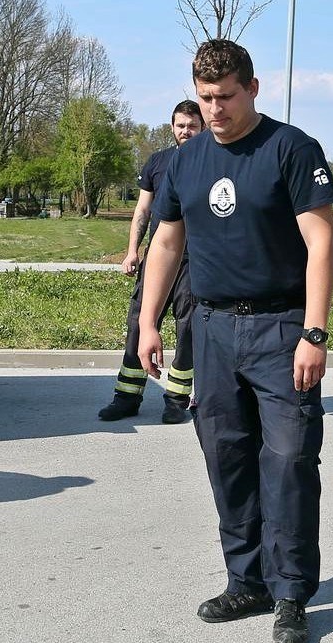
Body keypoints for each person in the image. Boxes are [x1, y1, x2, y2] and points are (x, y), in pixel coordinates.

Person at [137, 39, 333, 643]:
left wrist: (314, 332)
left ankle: (292, 592)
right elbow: (167, 243)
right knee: (227, 455)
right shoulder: (184, 161)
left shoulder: (291, 149)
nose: (215, 109)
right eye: (205, 98)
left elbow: (322, 242)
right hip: (213, 327)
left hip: (281, 328)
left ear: (253, 88)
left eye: (225, 97)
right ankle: (245, 579)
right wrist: (149, 323)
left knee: (289, 459)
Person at [98, 100, 203, 424]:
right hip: (158, 258)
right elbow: (142, 210)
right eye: (180, 125)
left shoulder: (211, 159)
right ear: (172, 127)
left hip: (194, 261)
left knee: (187, 329)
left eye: (191, 125)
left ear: (202, 126)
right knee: (139, 324)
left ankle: (176, 399)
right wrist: (132, 251)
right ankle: (127, 396)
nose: (185, 131)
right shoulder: (158, 162)